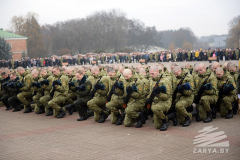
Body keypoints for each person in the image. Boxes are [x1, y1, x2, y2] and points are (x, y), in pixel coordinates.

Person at [147, 66, 172, 131]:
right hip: (156, 102)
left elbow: (167, 96)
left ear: (157, 71)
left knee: (154, 108)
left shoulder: (165, 81)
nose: (151, 75)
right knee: (157, 126)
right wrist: (148, 98)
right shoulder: (152, 80)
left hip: (165, 102)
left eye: (153, 73)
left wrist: (158, 94)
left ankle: (165, 121)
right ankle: (169, 116)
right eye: (150, 73)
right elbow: (150, 92)